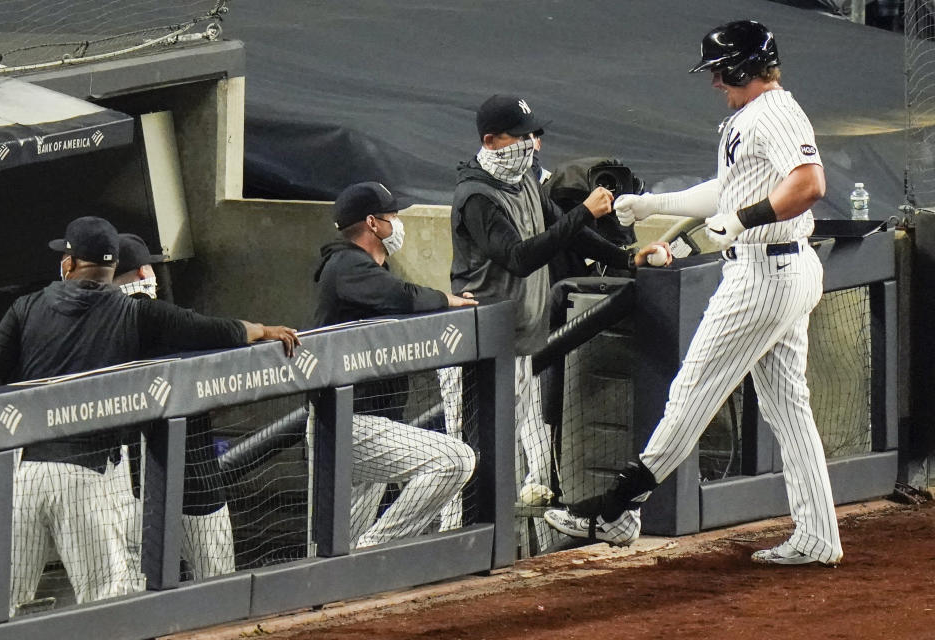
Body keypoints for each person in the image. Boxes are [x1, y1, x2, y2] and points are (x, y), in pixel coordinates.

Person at [544, 20, 844, 566]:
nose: (714, 83)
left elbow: (809, 184)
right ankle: (819, 533)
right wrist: (656, 204)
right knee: (789, 410)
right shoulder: (751, 118)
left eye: (718, 71)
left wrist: (745, 220)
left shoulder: (772, 111)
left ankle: (617, 506)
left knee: (692, 391)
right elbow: (726, 190)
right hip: (781, 268)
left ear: (741, 66)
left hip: (763, 274)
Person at [0, 216, 299, 612]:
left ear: (71, 263)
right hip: (88, 481)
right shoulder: (135, 314)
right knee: (108, 603)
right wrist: (263, 329)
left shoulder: (26, 307)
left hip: (24, 476)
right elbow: (216, 330)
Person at [451, 94, 671, 549]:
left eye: (534, 134)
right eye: (521, 135)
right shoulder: (476, 194)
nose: (532, 143)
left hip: (523, 344)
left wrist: (627, 256)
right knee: (469, 461)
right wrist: (584, 211)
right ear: (491, 141)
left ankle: (502, 557)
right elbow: (518, 257)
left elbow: (571, 231)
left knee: (525, 465)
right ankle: (455, 554)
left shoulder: (525, 181)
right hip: (476, 350)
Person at [313, 181, 478, 547]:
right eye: (393, 216)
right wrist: (447, 300)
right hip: (350, 423)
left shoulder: (364, 267)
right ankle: (377, 552)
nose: (398, 223)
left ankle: (356, 569)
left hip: (366, 419)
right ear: (373, 223)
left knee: (342, 546)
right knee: (454, 460)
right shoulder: (346, 265)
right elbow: (400, 297)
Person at [113, 232, 236, 581]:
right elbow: (228, 340)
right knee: (216, 585)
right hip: (195, 474)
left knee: (138, 587)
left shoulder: (99, 328)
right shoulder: (171, 319)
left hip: (135, 483)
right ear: (142, 272)